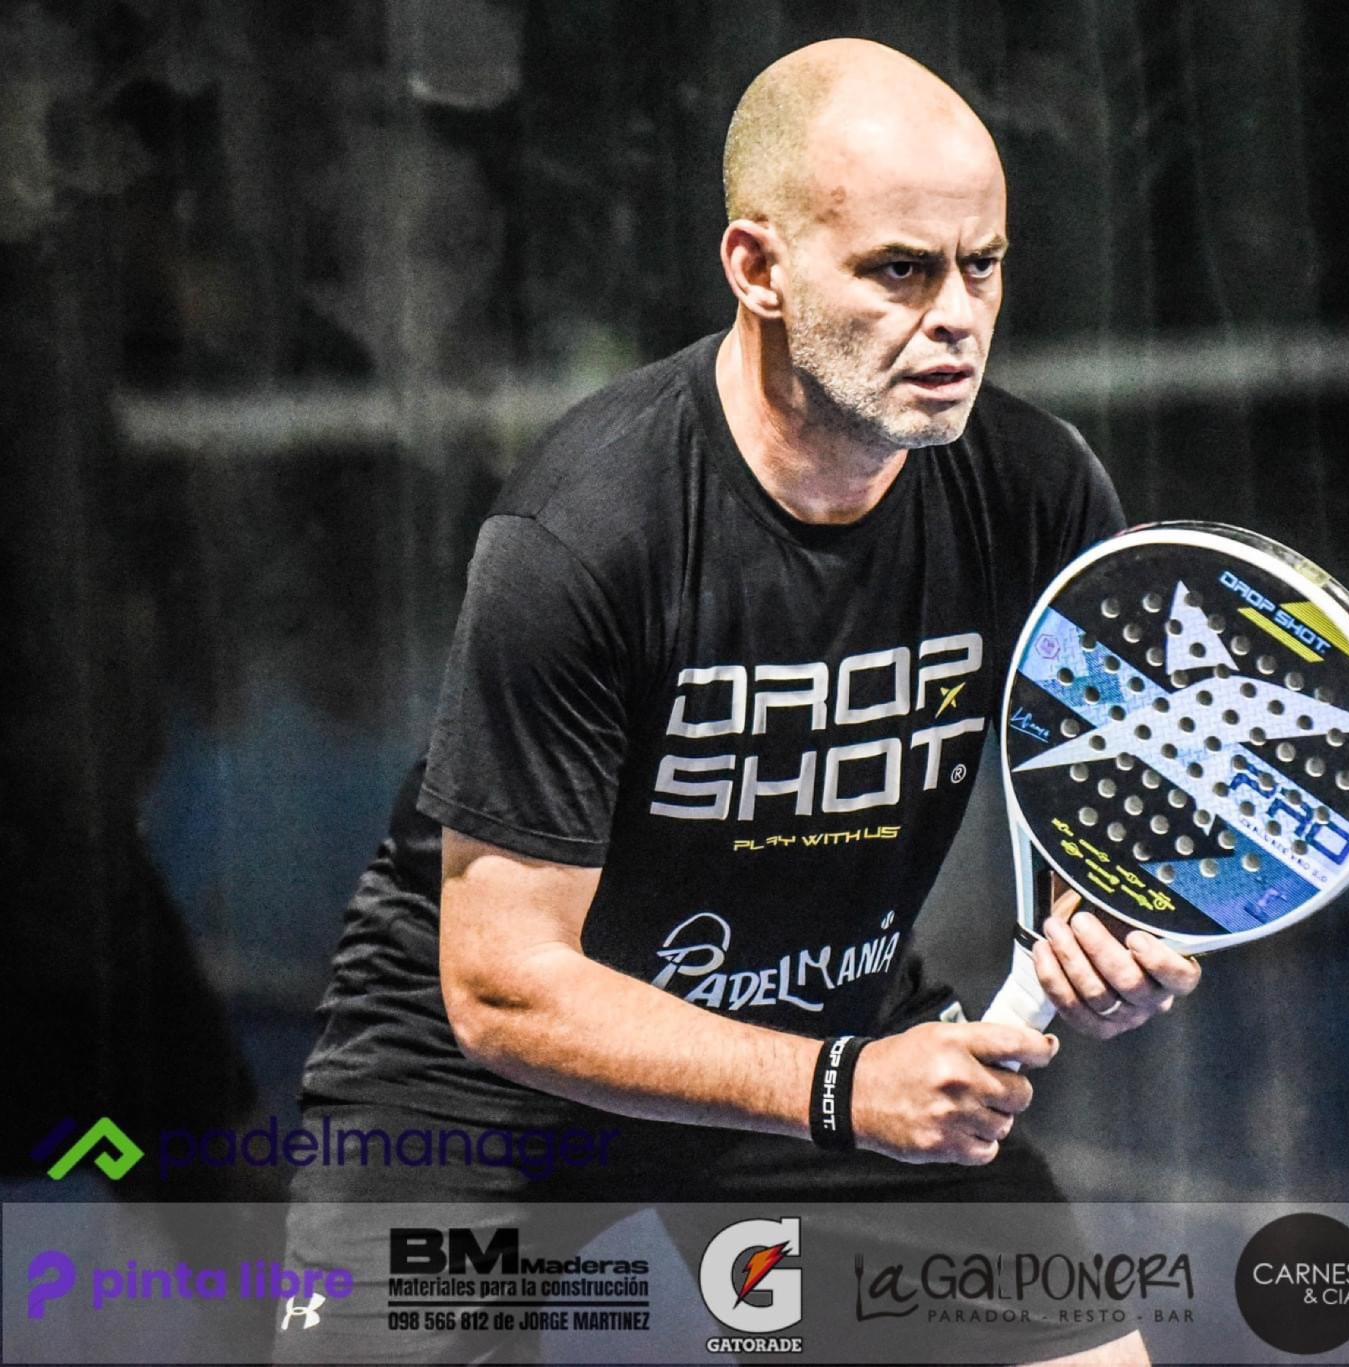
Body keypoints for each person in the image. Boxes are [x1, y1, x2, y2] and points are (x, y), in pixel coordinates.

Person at [276, 37, 1197, 1365]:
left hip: (827, 1024)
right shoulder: (587, 530)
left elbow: (1097, 843)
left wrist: (1104, 947)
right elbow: (502, 988)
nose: (956, 315)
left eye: (983, 265)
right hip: (492, 1085)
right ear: (758, 268)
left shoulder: (1038, 491)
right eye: (900, 269)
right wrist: (842, 1092)